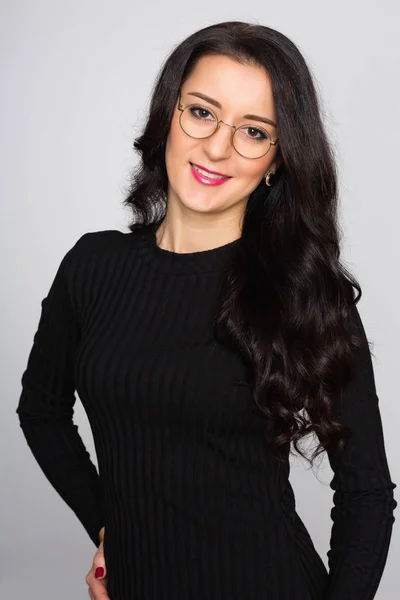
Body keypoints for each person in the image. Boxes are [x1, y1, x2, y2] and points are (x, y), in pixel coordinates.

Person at [16, 20, 396, 600]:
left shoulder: (303, 292)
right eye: (201, 112)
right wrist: (109, 526)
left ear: (276, 160)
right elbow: (40, 412)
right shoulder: (92, 266)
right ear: (168, 114)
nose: (217, 147)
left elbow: (366, 492)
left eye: (253, 131)